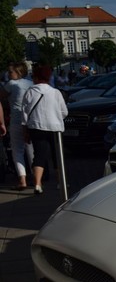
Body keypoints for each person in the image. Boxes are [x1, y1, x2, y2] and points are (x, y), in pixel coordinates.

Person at [21, 64, 68, 195]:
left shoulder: (30, 92)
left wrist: (25, 130)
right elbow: (64, 112)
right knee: (57, 155)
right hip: (55, 128)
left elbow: (24, 113)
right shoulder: (56, 92)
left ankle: (37, 184)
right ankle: (61, 182)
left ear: (36, 77)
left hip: (36, 126)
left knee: (39, 156)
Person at [1, 61, 34, 190]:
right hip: (30, 120)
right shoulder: (30, 84)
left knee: (17, 151)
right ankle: (36, 178)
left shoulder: (11, 84)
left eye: (10, 72)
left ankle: (22, 180)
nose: (8, 74)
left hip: (16, 121)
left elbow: (1, 96)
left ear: (18, 72)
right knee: (31, 150)